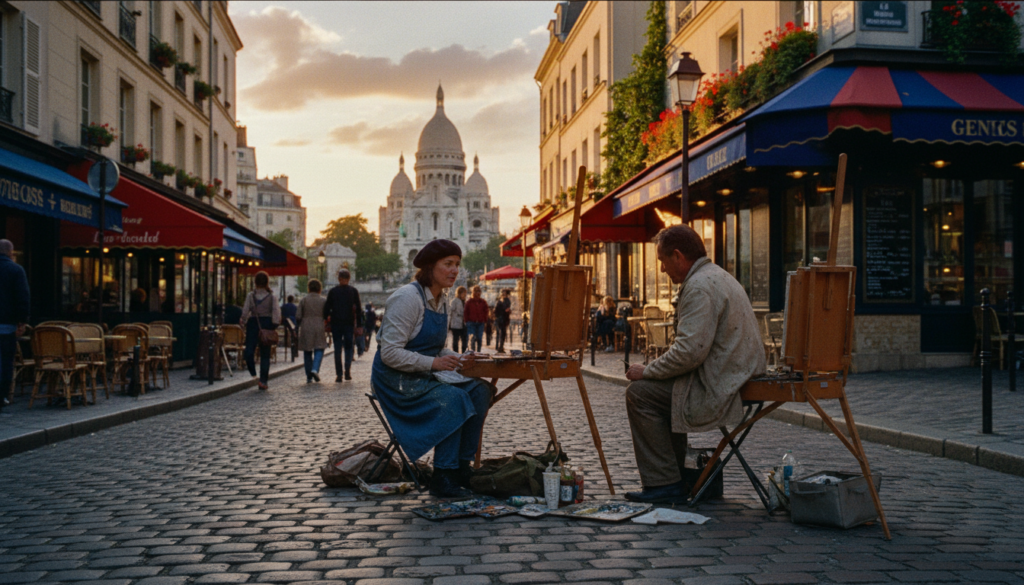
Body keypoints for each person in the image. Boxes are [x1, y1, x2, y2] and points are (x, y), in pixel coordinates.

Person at [623, 225, 765, 504]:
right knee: (658, 391)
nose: (662, 269)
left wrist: (647, 371)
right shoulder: (717, 275)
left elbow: (690, 353)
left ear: (678, 256)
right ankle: (673, 477)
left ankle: (664, 482)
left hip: (722, 384)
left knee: (640, 395)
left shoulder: (700, 286)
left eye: (663, 261)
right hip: (735, 375)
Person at [371, 239, 494, 498]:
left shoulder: (442, 299)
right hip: (395, 379)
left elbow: (436, 348)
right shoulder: (407, 298)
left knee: (481, 390)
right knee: (454, 398)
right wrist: (434, 363)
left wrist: (459, 357)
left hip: (423, 373)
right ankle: (443, 475)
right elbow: (390, 353)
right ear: (430, 267)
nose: (454, 271)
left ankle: (461, 467)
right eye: (447, 264)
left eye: (457, 265)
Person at [0, 240, 29, 414]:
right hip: (6, 324)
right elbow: (22, 298)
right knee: (5, 361)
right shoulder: (16, 270)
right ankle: (2, 395)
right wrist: (22, 321)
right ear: (11, 252)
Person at [239, 271, 281, 391]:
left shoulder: (250, 296)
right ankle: (263, 381)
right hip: (267, 324)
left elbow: (245, 312)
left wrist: (243, 320)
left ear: (255, 282)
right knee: (265, 355)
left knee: (249, 350)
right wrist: (274, 326)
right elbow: (276, 313)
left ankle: (252, 372)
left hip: (253, 324)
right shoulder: (272, 297)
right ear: (267, 282)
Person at [324, 268, 363, 382]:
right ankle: (347, 371)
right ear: (349, 279)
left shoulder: (333, 291)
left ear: (339, 279)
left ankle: (339, 374)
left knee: (337, 349)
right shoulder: (353, 291)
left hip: (336, 323)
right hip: (349, 323)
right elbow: (359, 309)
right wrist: (359, 324)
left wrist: (327, 317)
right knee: (348, 348)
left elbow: (326, 309)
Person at [297, 279, 328, 383]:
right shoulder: (323, 300)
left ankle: (308, 376)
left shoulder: (304, 300)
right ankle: (315, 368)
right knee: (319, 348)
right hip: (319, 325)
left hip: (306, 326)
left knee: (307, 351)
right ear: (320, 288)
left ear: (309, 288)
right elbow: (326, 314)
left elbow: (298, 315)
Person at [464, 286, 489, 353]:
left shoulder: (483, 302)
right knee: (472, 338)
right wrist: (467, 321)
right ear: (473, 292)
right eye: (476, 291)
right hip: (471, 322)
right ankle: (473, 352)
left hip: (480, 323)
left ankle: (478, 352)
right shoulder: (469, 302)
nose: (477, 293)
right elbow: (466, 312)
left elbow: (486, 311)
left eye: (479, 291)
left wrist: (484, 320)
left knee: (479, 338)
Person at [449, 286, 468, 353]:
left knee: (464, 340)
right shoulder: (455, 301)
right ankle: (455, 353)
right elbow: (450, 311)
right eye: (463, 293)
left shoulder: (464, 301)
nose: (465, 294)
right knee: (455, 340)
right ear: (459, 293)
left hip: (463, 324)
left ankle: (463, 352)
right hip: (456, 323)